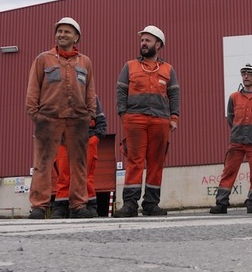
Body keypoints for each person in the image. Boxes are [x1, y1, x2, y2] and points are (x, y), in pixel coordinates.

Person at [25, 17, 97, 219]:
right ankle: (39, 206)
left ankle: (78, 205)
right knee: (43, 164)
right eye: (59, 31)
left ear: (76, 37)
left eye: (67, 32)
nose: (62, 35)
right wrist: (35, 114)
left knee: (79, 164)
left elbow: (90, 91)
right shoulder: (43, 59)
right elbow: (33, 89)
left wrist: (89, 113)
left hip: (78, 120)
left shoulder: (85, 62)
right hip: (48, 118)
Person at [114, 25, 180, 217]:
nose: (143, 43)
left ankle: (151, 204)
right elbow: (120, 91)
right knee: (135, 161)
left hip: (160, 121)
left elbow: (174, 94)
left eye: (147, 40)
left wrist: (174, 117)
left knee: (156, 162)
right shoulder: (130, 66)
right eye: (142, 40)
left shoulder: (168, 69)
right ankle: (130, 205)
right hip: (134, 120)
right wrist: (123, 114)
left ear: (158, 45)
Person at [210, 64, 252, 214]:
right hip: (236, 141)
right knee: (229, 171)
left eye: (250, 74)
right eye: (244, 74)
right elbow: (231, 118)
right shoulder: (234, 97)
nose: (246, 76)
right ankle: (222, 203)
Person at [51, 96, 107, 218]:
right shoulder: (57, 95)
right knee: (64, 176)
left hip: (87, 140)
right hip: (63, 142)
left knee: (86, 176)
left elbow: (101, 119)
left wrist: (95, 138)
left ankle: (89, 206)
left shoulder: (92, 97)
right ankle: (61, 208)